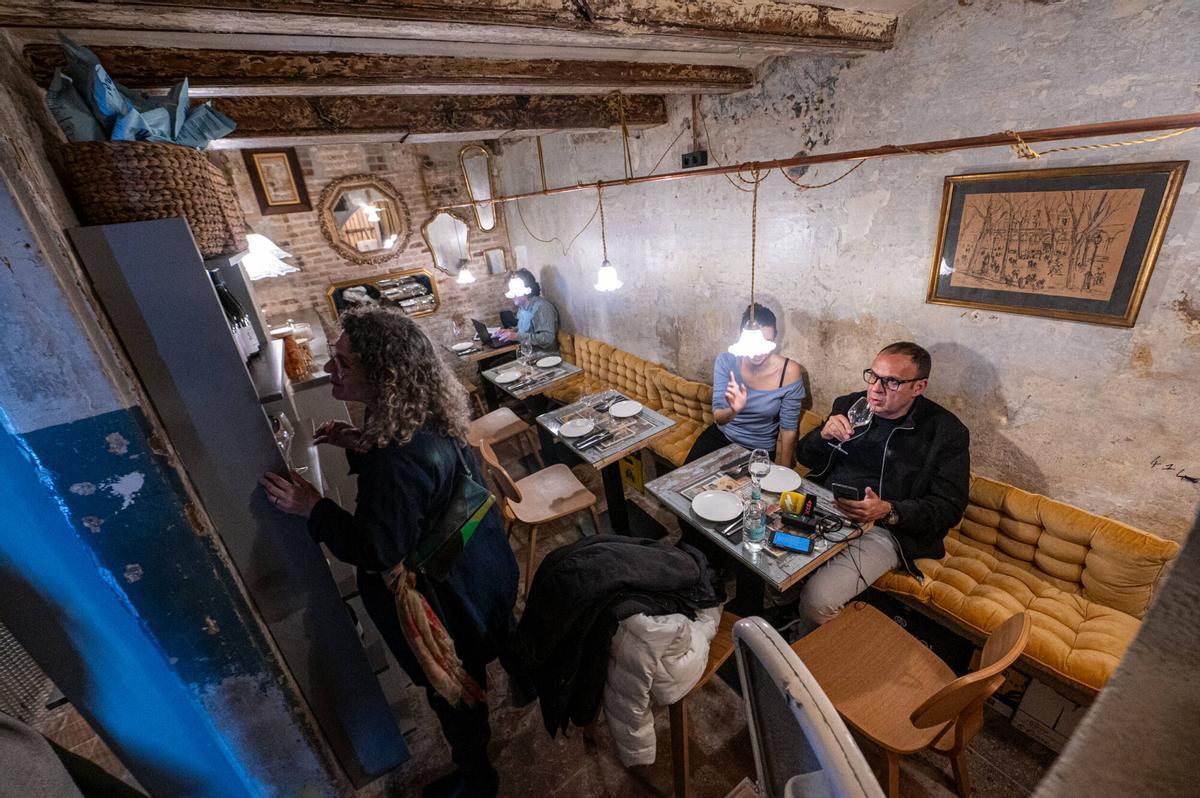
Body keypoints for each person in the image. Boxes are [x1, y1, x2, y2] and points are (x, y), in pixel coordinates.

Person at [260, 306, 519, 798]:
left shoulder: (394, 457)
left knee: (455, 691)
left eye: (343, 363)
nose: (328, 370)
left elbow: (379, 548)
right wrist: (359, 443)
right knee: (481, 658)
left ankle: (477, 780)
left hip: (445, 597)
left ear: (385, 374)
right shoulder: (421, 413)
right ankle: (515, 688)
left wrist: (314, 507)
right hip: (478, 567)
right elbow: (423, 478)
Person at [793, 342, 969, 627]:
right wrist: (822, 435)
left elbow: (949, 507)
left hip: (885, 529)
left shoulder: (945, 432)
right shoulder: (849, 404)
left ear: (919, 387)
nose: (875, 388)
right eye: (873, 376)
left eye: (892, 382)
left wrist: (888, 510)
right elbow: (805, 456)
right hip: (824, 505)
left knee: (818, 601)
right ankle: (771, 620)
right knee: (758, 548)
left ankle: (806, 659)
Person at [685, 303, 804, 465]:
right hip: (720, 438)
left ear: (775, 338)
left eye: (766, 342)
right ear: (741, 336)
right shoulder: (727, 361)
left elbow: (788, 428)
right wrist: (734, 410)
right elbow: (719, 417)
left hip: (757, 451)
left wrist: (785, 470)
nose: (759, 351)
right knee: (681, 484)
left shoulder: (789, 372)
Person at [495, 268, 558, 350]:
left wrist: (517, 336)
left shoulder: (542, 307)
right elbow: (525, 328)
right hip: (526, 352)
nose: (512, 296)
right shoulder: (522, 307)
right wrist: (511, 331)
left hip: (543, 356)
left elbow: (547, 339)